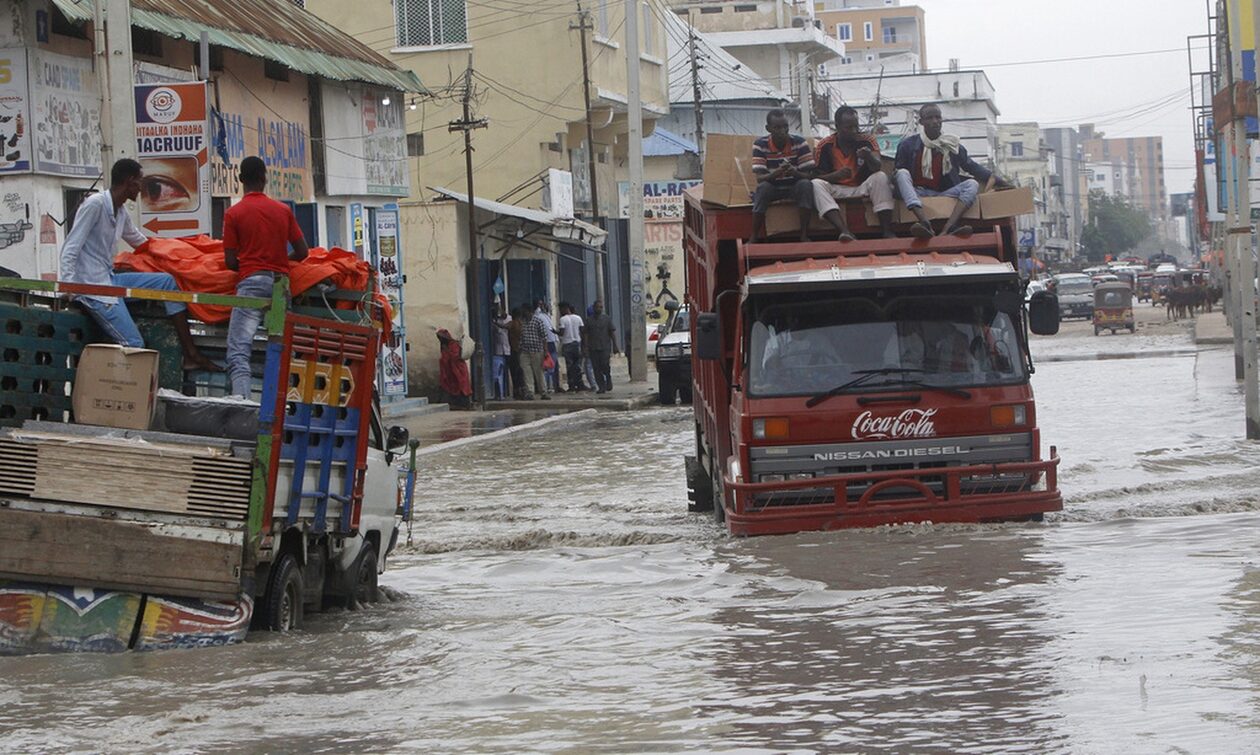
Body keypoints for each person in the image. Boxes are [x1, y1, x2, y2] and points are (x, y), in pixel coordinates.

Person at [59, 158, 219, 371]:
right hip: (94, 288)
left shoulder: (120, 211)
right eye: (139, 182)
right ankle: (124, 394)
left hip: (110, 279)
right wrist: (69, 286)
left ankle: (191, 354)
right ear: (128, 181)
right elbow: (71, 247)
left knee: (167, 282)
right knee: (134, 344)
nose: (141, 187)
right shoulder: (95, 204)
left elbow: (140, 242)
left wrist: (180, 255)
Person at [223, 156, 309, 397]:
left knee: (239, 351)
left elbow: (230, 261)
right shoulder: (283, 210)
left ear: (241, 180)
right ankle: (281, 408)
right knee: (281, 351)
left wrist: (253, 263)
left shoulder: (234, 214)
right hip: (281, 286)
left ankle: (245, 405)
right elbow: (303, 252)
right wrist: (280, 261)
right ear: (264, 178)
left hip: (251, 285)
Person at [895, 104, 1011, 239]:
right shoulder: (907, 145)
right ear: (921, 122)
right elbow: (897, 173)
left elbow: (971, 166)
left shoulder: (951, 145)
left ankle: (949, 227)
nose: (935, 121)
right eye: (929, 118)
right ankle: (924, 222)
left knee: (972, 184)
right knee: (901, 174)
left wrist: (997, 180)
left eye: (938, 117)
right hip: (918, 193)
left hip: (945, 193)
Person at [811, 106, 896, 241]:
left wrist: (868, 157)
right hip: (837, 188)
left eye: (856, 126)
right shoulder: (825, 145)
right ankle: (845, 231)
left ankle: (887, 231)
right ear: (837, 127)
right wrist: (836, 175)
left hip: (862, 186)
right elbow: (816, 176)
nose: (854, 131)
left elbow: (877, 167)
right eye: (848, 127)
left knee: (880, 177)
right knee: (816, 184)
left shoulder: (867, 140)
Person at [750, 109, 816, 242]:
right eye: (777, 127)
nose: (783, 131)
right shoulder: (760, 145)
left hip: (794, 186)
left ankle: (804, 234)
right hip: (773, 188)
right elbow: (760, 178)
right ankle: (754, 235)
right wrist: (776, 173)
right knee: (762, 189)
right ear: (768, 129)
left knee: (806, 185)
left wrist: (794, 172)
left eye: (785, 126)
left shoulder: (799, 143)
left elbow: (810, 175)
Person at [582, 299, 618, 393]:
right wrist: (585, 347)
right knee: (596, 368)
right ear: (594, 308)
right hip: (593, 348)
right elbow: (586, 334)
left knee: (605, 365)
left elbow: (612, 332)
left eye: (601, 307)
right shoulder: (589, 320)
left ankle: (608, 379)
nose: (599, 309)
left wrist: (615, 345)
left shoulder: (607, 319)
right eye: (597, 307)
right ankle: (601, 387)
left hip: (605, 347)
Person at [436, 328, 472, 408]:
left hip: (458, 369)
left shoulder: (453, 345)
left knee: (461, 386)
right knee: (450, 386)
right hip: (449, 370)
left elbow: (454, 356)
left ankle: (464, 403)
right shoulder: (444, 346)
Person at [521, 302, 550, 399]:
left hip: (537, 350)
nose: (524, 313)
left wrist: (545, 351)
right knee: (527, 372)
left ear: (530, 312)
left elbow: (544, 337)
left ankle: (543, 392)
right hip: (525, 351)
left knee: (539, 372)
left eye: (525, 311)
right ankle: (530, 392)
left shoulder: (538, 321)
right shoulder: (523, 322)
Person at [558, 302, 586, 391]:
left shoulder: (563, 319)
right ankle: (580, 384)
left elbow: (562, 332)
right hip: (577, 343)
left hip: (567, 344)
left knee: (569, 366)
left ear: (564, 308)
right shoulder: (578, 318)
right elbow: (582, 331)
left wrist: (555, 332)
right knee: (577, 365)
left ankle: (572, 385)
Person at [535, 298, 561, 392]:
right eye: (540, 305)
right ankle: (545, 387)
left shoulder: (546, 315)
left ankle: (555, 386)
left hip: (552, 341)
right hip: (546, 343)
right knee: (547, 366)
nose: (543, 306)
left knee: (554, 365)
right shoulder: (537, 316)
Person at [490, 303, 512, 399]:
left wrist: (496, 323)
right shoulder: (495, 320)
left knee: (505, 372)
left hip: (507, 349)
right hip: (497, 351)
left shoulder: (509, 319)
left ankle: (504, 392)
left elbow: (507, 326)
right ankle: (499, 394)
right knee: (497, 374)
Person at [507, 307, 527, 398]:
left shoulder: (513, 323)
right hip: (521, 350)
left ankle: (517, 391)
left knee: (515, 371)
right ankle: (522, 390)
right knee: (520, 371)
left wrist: (495, 323)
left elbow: (505, 326)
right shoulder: (522, 324)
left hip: (514, 350)